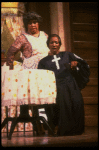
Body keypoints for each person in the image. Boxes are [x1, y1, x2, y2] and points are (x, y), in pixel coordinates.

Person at [38, 34, 90, 136]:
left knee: (76, 104)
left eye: (56, 42)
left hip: (70, 85)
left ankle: (76, 130)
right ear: (48, 45)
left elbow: (83, 64)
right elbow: (40, 77)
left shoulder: (68, 55)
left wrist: (76, 65)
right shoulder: (43, 61)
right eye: (51, 42)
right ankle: (60, 129)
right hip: (54, 88)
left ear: (60, 44)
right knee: (60, 105)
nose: (54, 44)